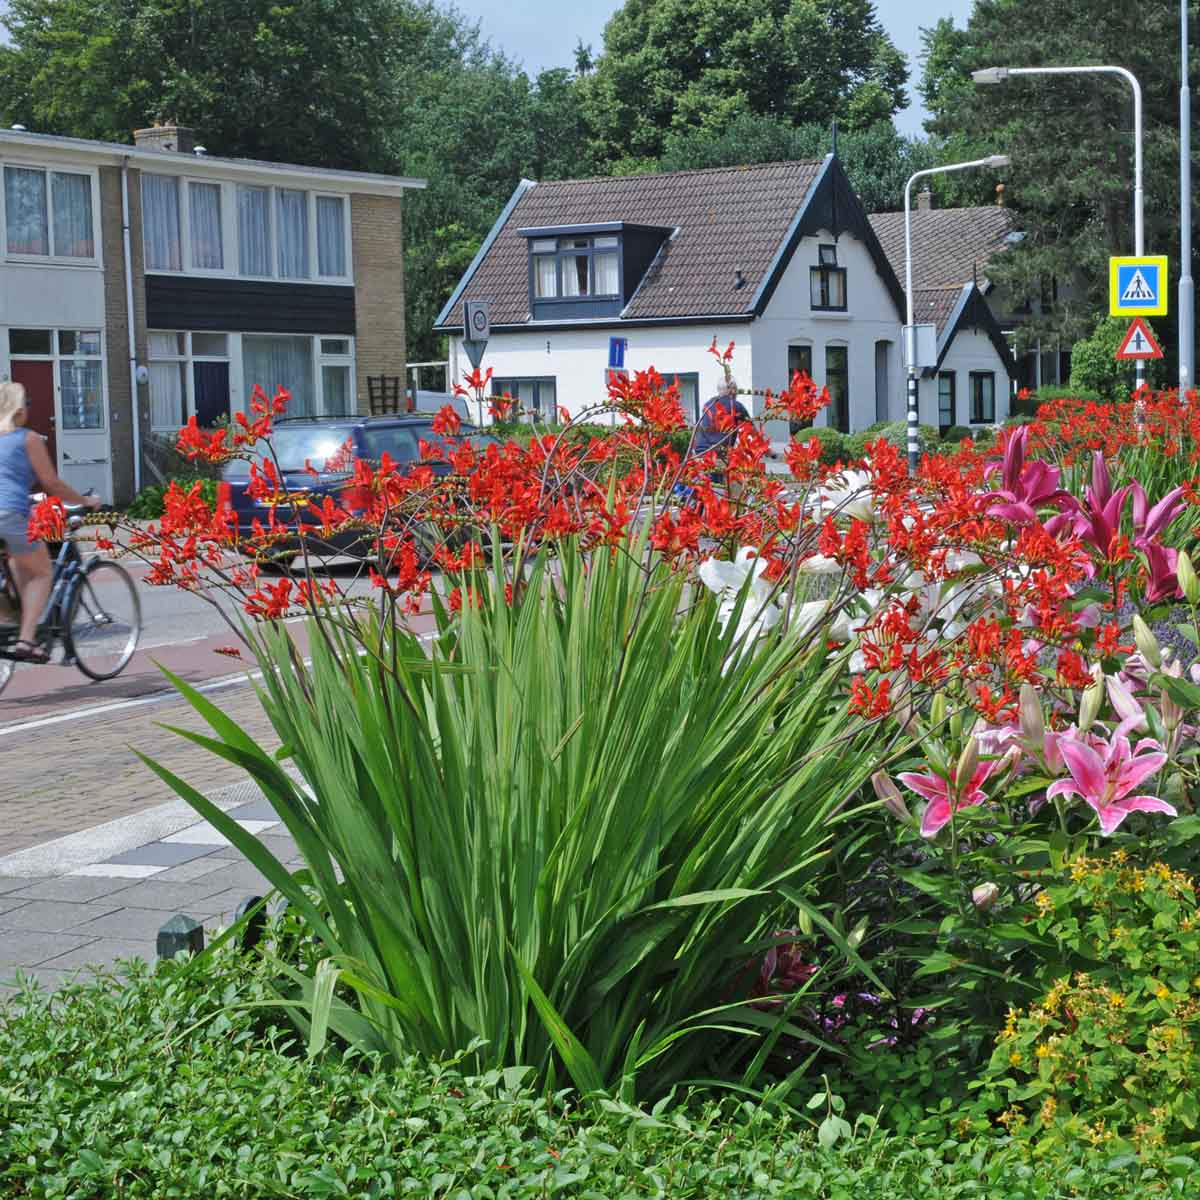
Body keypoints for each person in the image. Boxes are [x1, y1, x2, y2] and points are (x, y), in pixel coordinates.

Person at [0, 381, 101, 663]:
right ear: (19, 409)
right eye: (27, 405)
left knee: (16, 563)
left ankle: (13, 619)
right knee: (43, 573)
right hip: (9, 514)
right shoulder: (27, 438)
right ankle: (26, 639)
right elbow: (51, 482)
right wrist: (84, 501)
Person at [693, 376, 751, 484]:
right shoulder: (736, 406)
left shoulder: (708, 404)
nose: (737, 392)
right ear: (731, 390)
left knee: (703, 490)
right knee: (719, 491)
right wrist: (769, 452)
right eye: (736, 389)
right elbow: (753, 431)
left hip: (700, 454)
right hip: (717, 456)